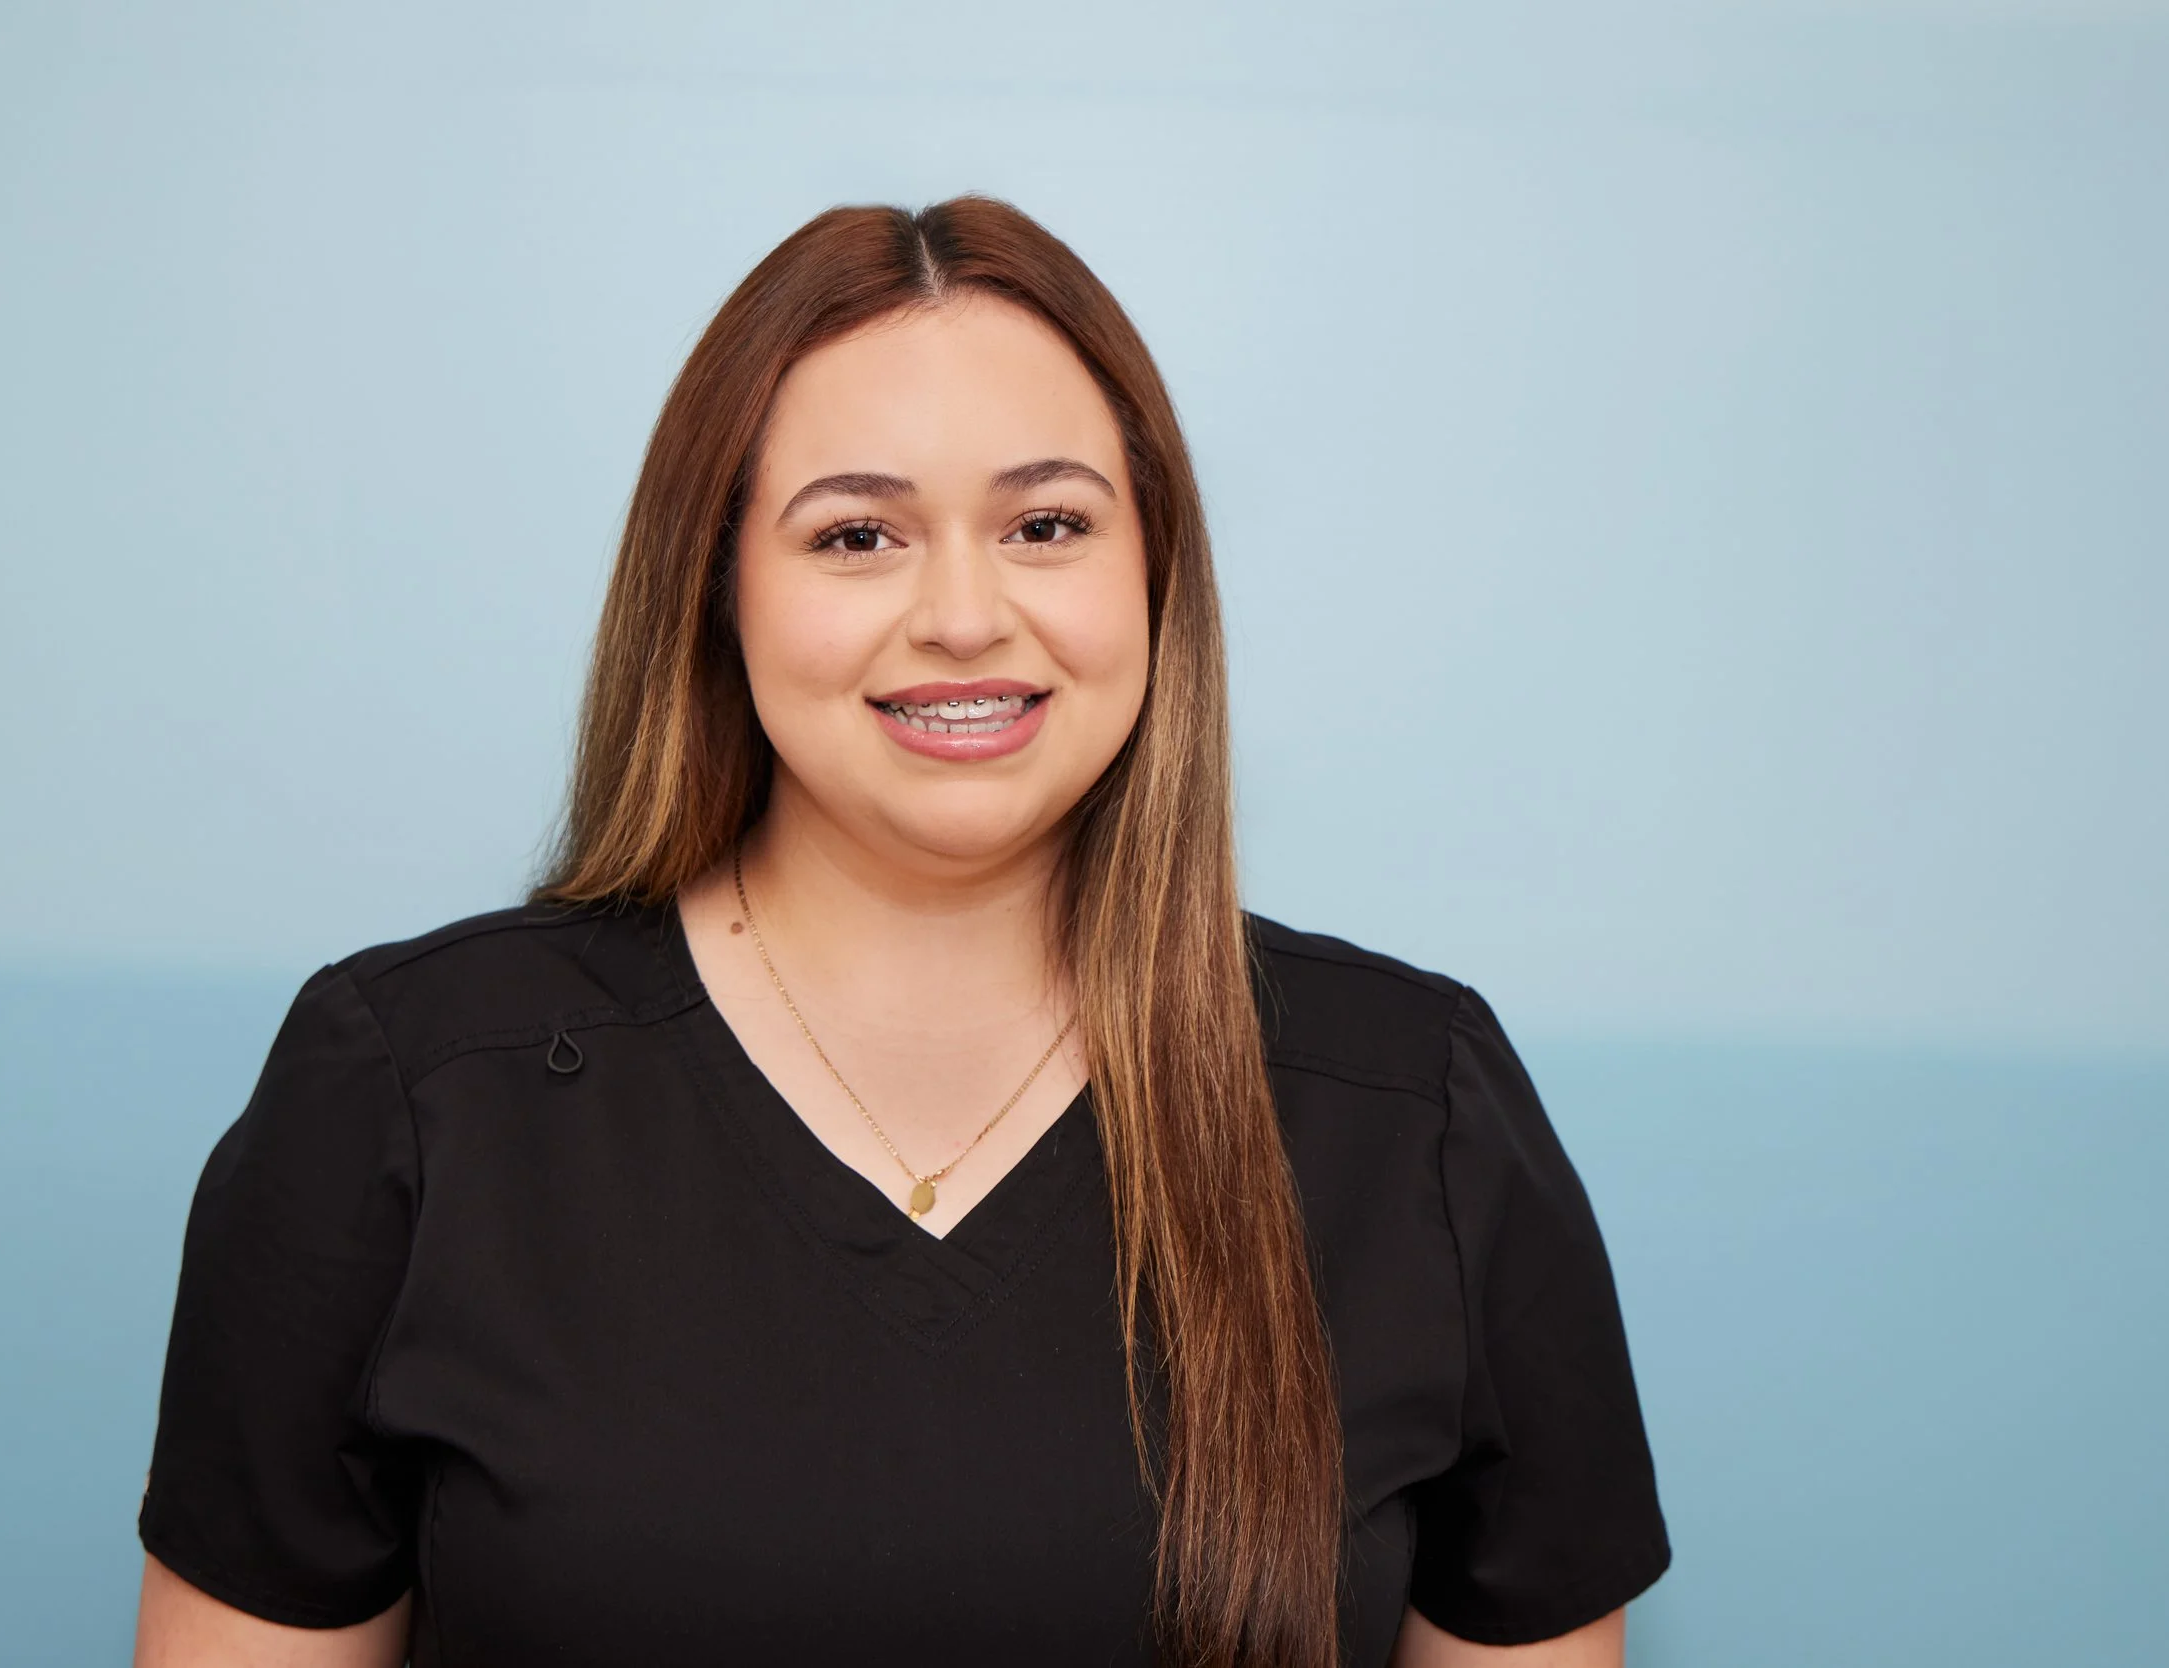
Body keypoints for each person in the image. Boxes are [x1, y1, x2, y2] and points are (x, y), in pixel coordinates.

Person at [129, 196, 1669, 1668]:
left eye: (1047, 524)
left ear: (1156, 574)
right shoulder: (406, 1100)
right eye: (858, 536)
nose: (963, 616)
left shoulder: (1421, 1119)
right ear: (718, 589)